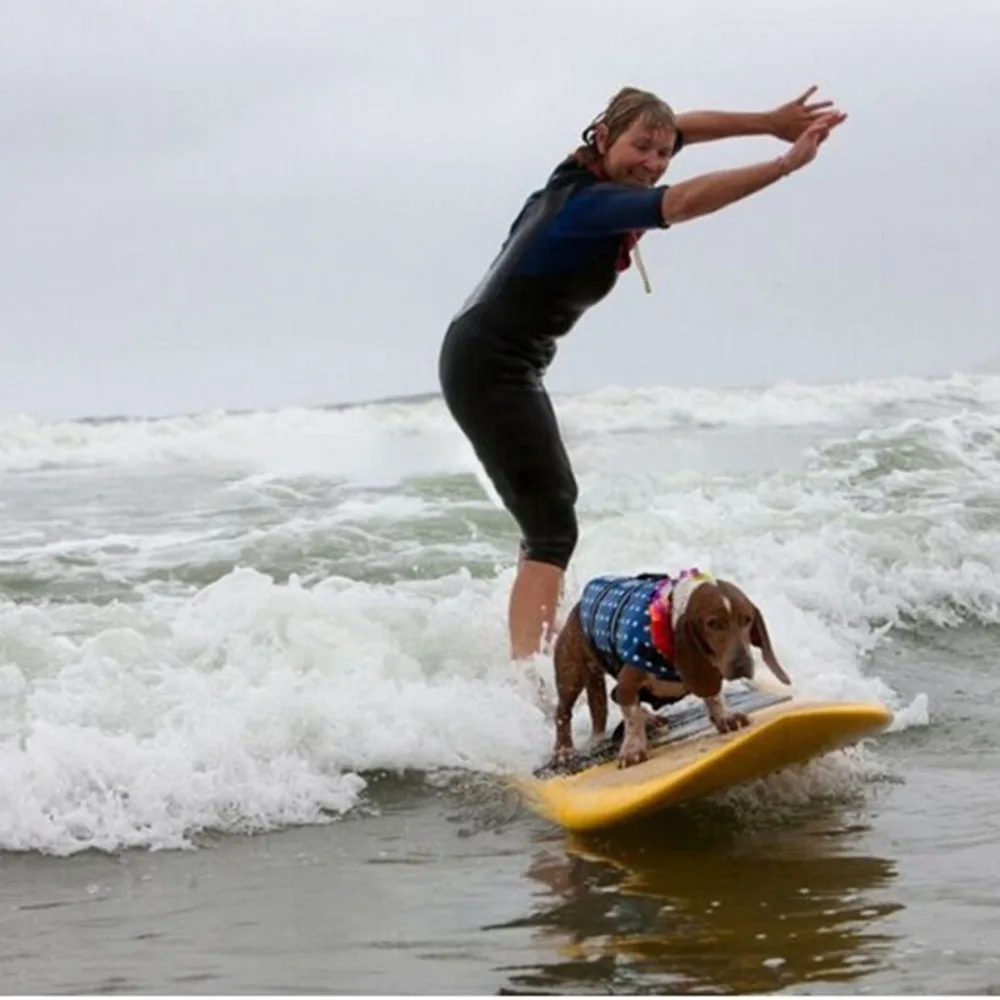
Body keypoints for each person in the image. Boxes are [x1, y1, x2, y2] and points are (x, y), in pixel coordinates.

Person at [438, 85, 847, 662]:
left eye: (662, 154)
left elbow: (683, 128)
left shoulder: (580, 172)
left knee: (549, 516)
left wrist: (767, 120)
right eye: (641, 149)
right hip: (489, 365)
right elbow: (679, 204)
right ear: (603, 138)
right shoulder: (586, 204)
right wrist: (782, 164)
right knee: (553, 528)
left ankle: (534, 656)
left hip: (491, 355)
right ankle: (528, 683)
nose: (653, 164)